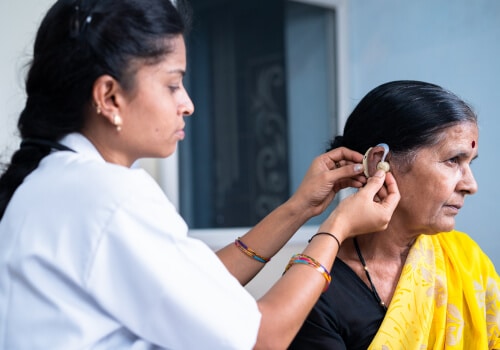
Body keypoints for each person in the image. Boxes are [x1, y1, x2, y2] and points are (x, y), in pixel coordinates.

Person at [0, 0, 400, 349]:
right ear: (110, 96)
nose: (187, 104)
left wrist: (300, 208)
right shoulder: (108, 197)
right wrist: (337, 226)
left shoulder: (58, 182)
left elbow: (198, 287)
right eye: (173, 85)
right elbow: (263, 337)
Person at [289, 80, 500, 349]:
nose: (471, 185)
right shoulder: (313, 289)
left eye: (469, 163)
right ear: (380, 163)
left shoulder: (466, 260)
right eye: (452, 161)